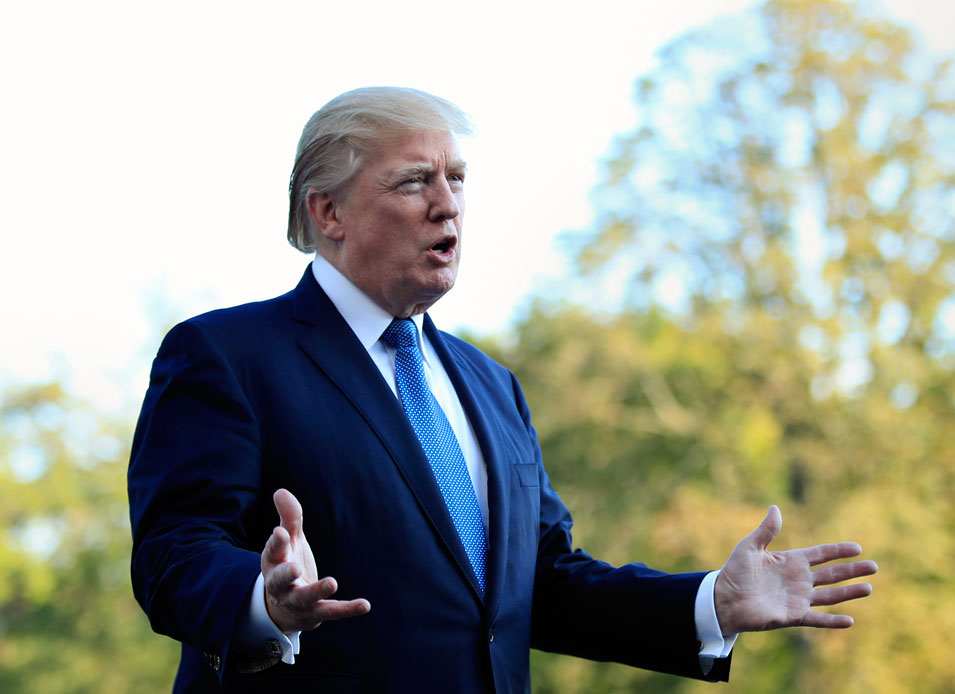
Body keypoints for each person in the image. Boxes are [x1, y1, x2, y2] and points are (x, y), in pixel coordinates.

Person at [128, 87, 877, 693]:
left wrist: (708, 602)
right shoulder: (225, 355)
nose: (447, 204)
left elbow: (540, 585)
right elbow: (173, 555)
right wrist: (266, 600)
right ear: (329, 213)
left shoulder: (490, 386)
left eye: (456, 179)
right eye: (414, 181)